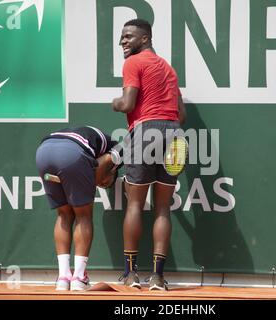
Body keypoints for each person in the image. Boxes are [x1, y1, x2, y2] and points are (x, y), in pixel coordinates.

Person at [112, 19, 186, 291]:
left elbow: (128, 103)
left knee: (134, 205)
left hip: (145, 131)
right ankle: (158, 277)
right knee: (163, 208)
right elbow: (183, 114)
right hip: (175, 134)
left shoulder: (133, 62)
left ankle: (131, 275)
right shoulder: (169, 69)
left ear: (145, 39)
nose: (123, 41)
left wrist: (116, 103)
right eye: (122, 37)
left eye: (128, 36)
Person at [35, 126, 122, 291]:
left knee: (64, 215)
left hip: (43, 152)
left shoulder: (93, 140)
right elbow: (102, 163)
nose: (101, 184)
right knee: (83, 216)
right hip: (71, 153)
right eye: (105, 183)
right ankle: (79, 277)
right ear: (112, 171)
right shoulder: (115, 149)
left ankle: (63, 277)